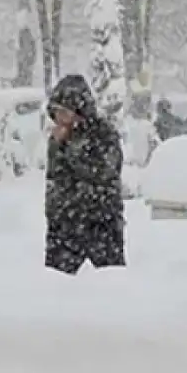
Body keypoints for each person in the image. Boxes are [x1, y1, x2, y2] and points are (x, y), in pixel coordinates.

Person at [45, 74, 125, 274]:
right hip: (64, 226)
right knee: (56, 285)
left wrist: (69, 149)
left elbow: (104, 171)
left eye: (64, 111)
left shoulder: (103, 134)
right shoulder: (57, 139)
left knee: (110, 280)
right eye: (56, 112)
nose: (59, 117)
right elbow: (55, 177)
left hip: (100, 223)